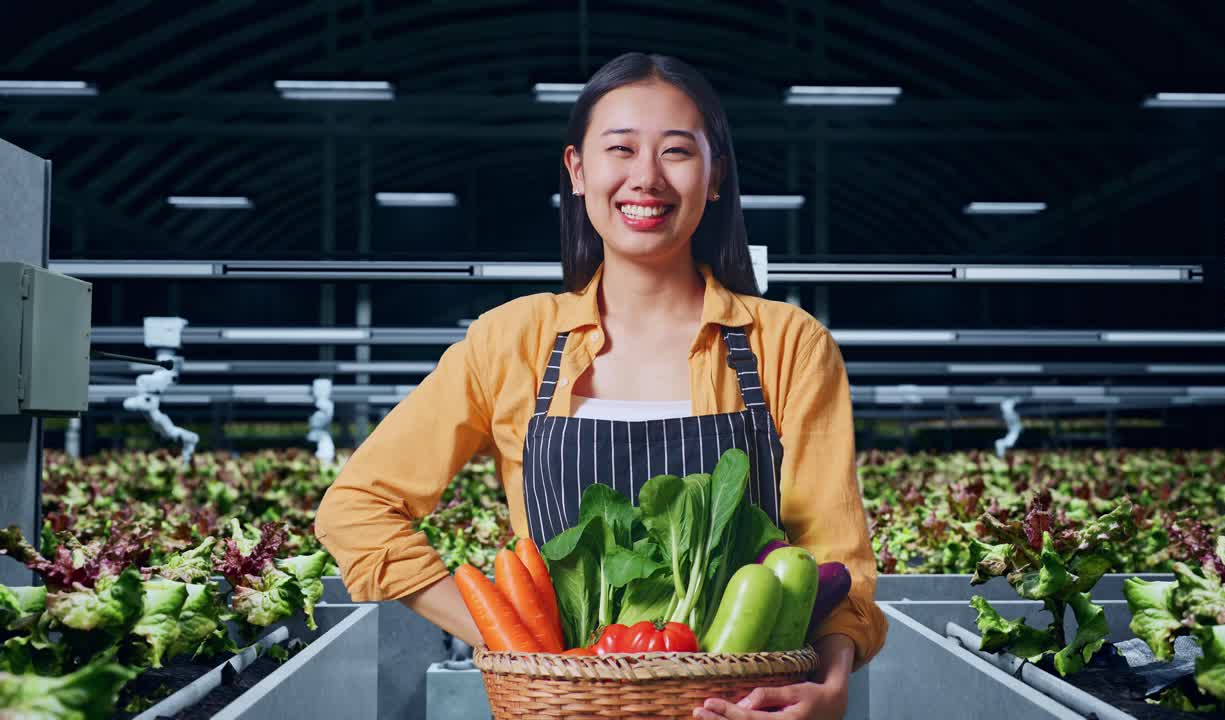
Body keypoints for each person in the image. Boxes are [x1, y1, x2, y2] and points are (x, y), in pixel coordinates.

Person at [314, 51, 887, 719]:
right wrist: (521, 644)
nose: (646, 177)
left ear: (716, 176)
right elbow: (356, 510)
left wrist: (832, 685)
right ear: (578, 172)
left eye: (676, 151)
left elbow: (834, 557)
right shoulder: (512, 342)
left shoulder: (786, 345)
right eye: (621, 149)